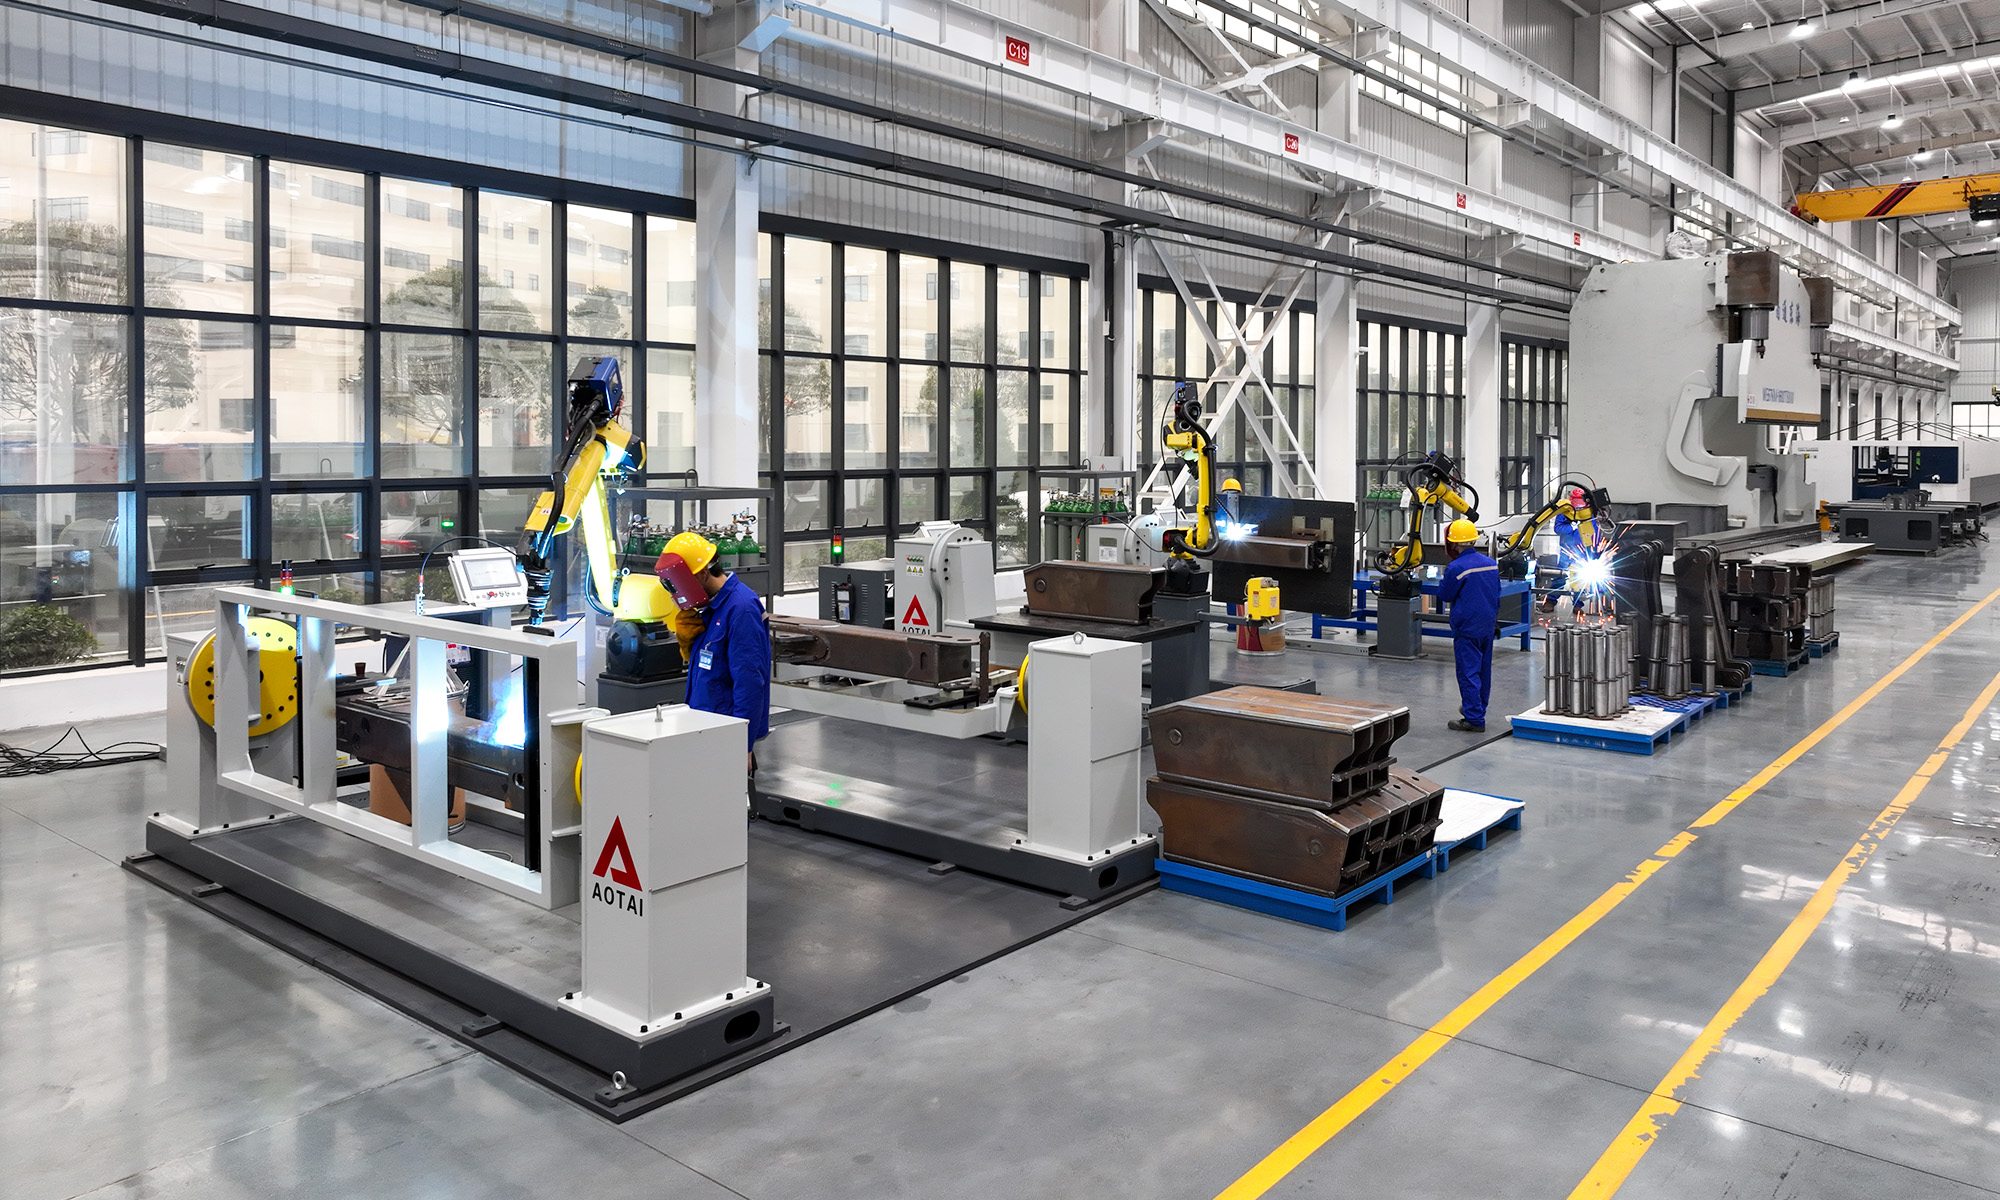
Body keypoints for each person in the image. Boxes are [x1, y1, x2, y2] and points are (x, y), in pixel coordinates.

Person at [656, 531, 771, 776]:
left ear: (703, 574)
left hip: (725, 730)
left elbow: (750, 682)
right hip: (702, 726)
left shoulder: (741, 608)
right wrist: (688, 644)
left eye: (680, 583)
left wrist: (743, 744)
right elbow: (709, 666)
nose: (677, 593)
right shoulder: (709, 608)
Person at [1437, 518, 1499, 733]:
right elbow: (1496, 592)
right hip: (1487, 624)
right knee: (1483, 671)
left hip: (1467, 627)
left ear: (1454, 543)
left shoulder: (1457, 567)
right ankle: (1478, 709)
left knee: (1468, 672)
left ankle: (1474, 719)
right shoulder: (1491, 563)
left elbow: (1445, 594)